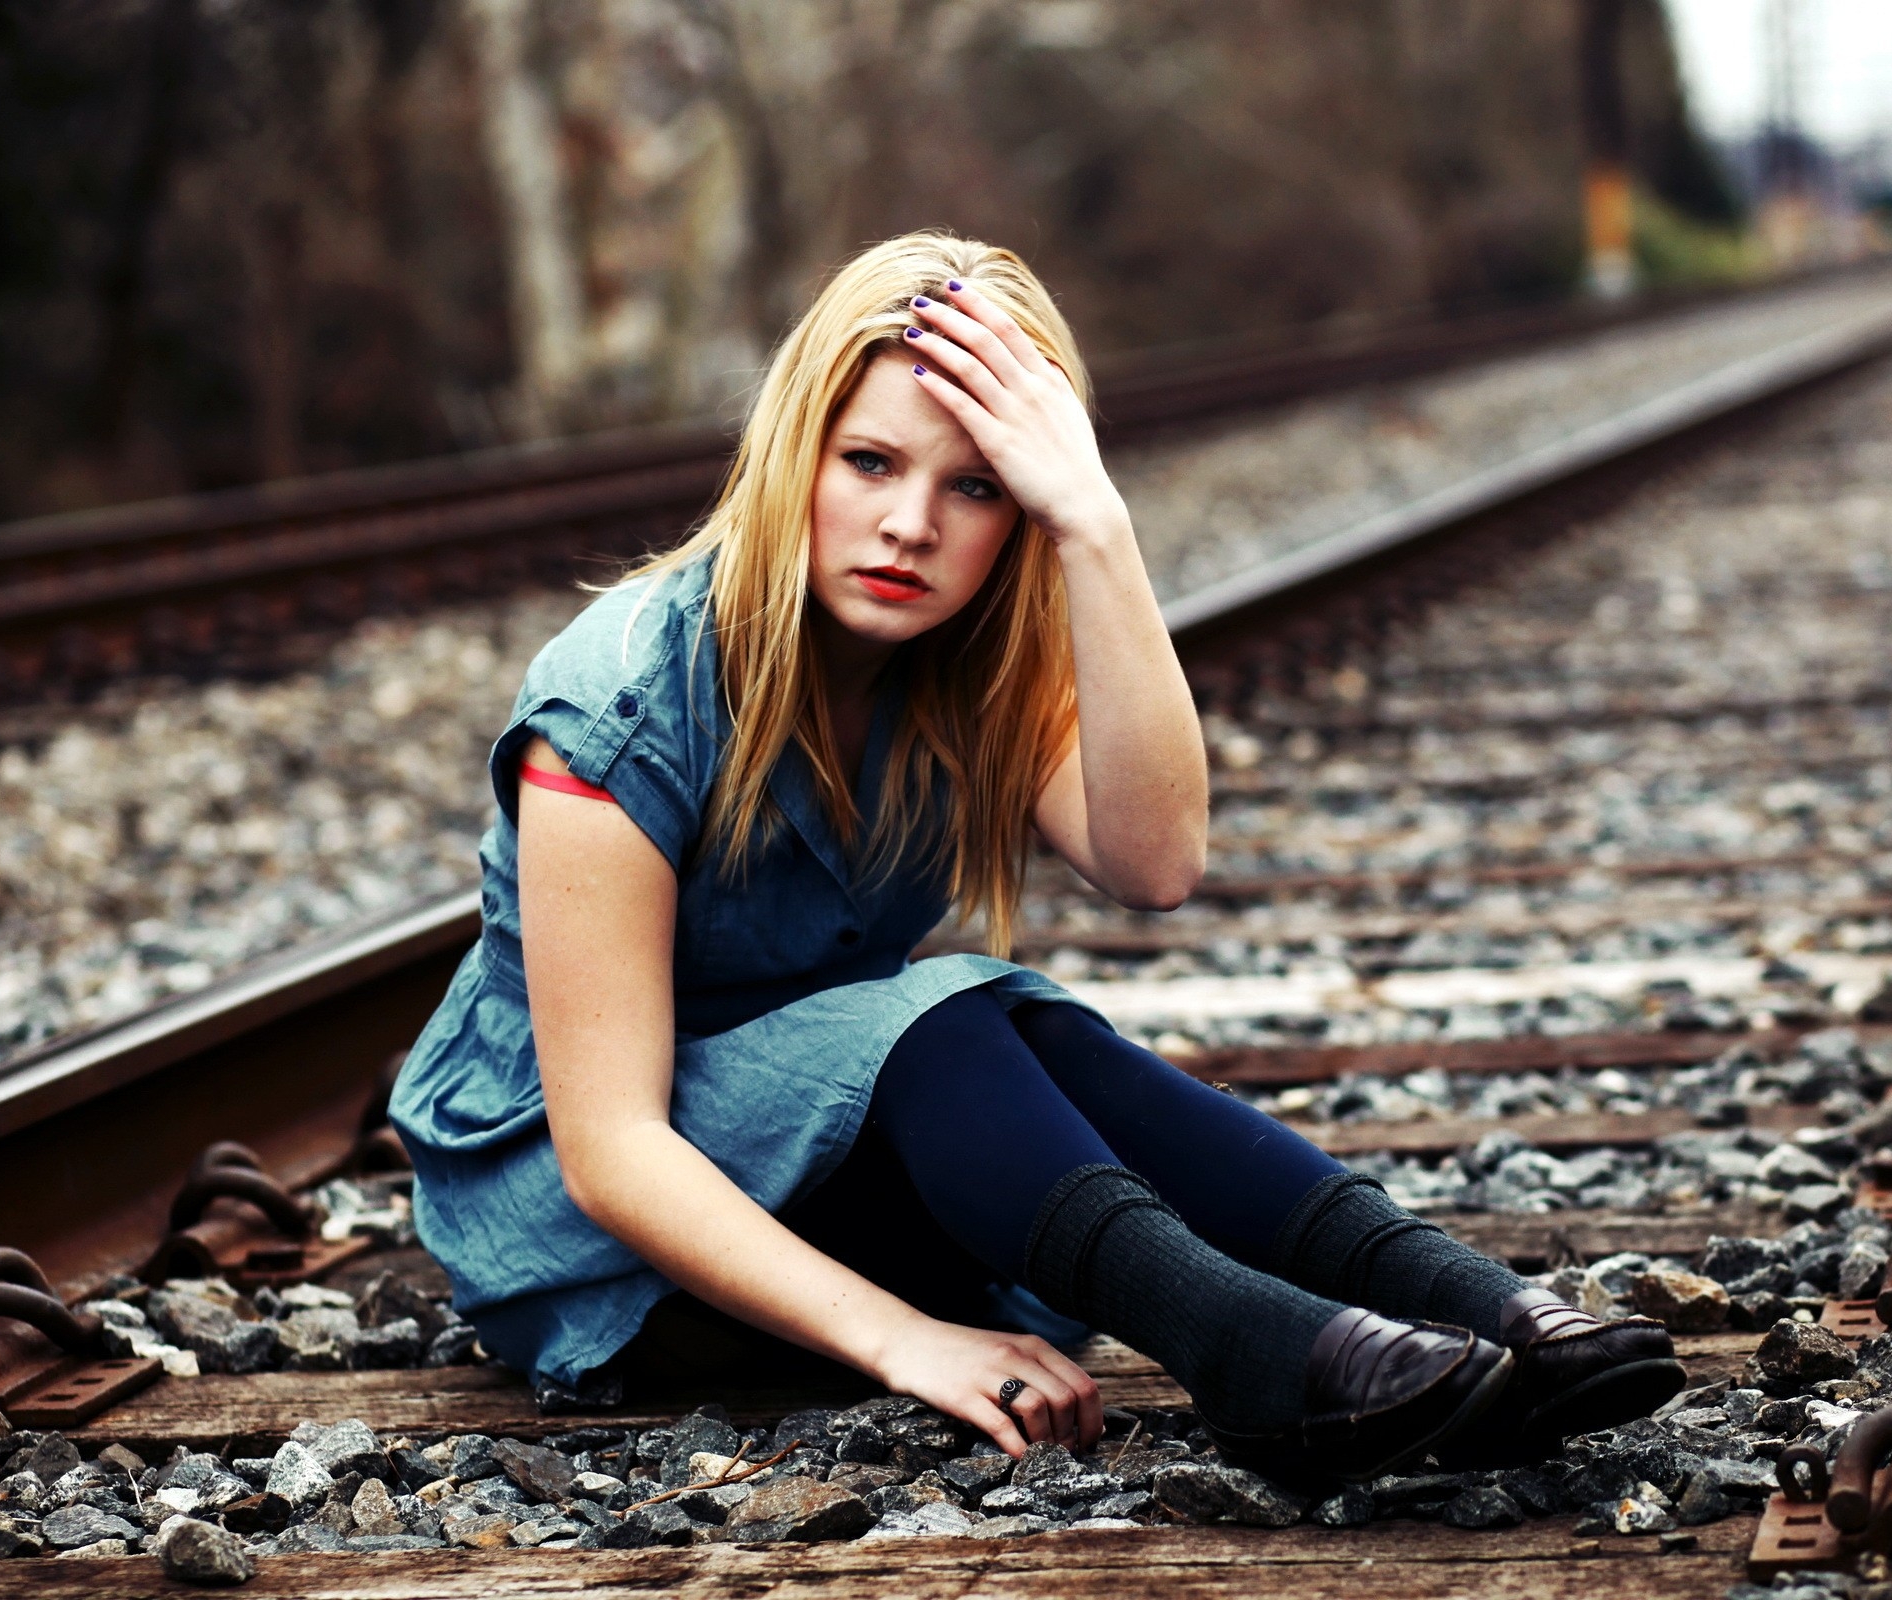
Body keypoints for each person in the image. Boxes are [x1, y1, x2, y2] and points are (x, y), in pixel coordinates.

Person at [389, 232, 1682, 1487]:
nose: (910, 525)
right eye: (871, 462)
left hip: (827, 1165)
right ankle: (1256, 1354)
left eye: (976, 486)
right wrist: (908, 1341)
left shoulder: (969, 669)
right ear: (794, 456)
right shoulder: (620, 700)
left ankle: (1480, 1308)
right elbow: (612, 1147)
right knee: (946, 1013)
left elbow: (1156, 860)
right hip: (607, 1238)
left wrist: (1097, 528)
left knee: (1016, 1025)